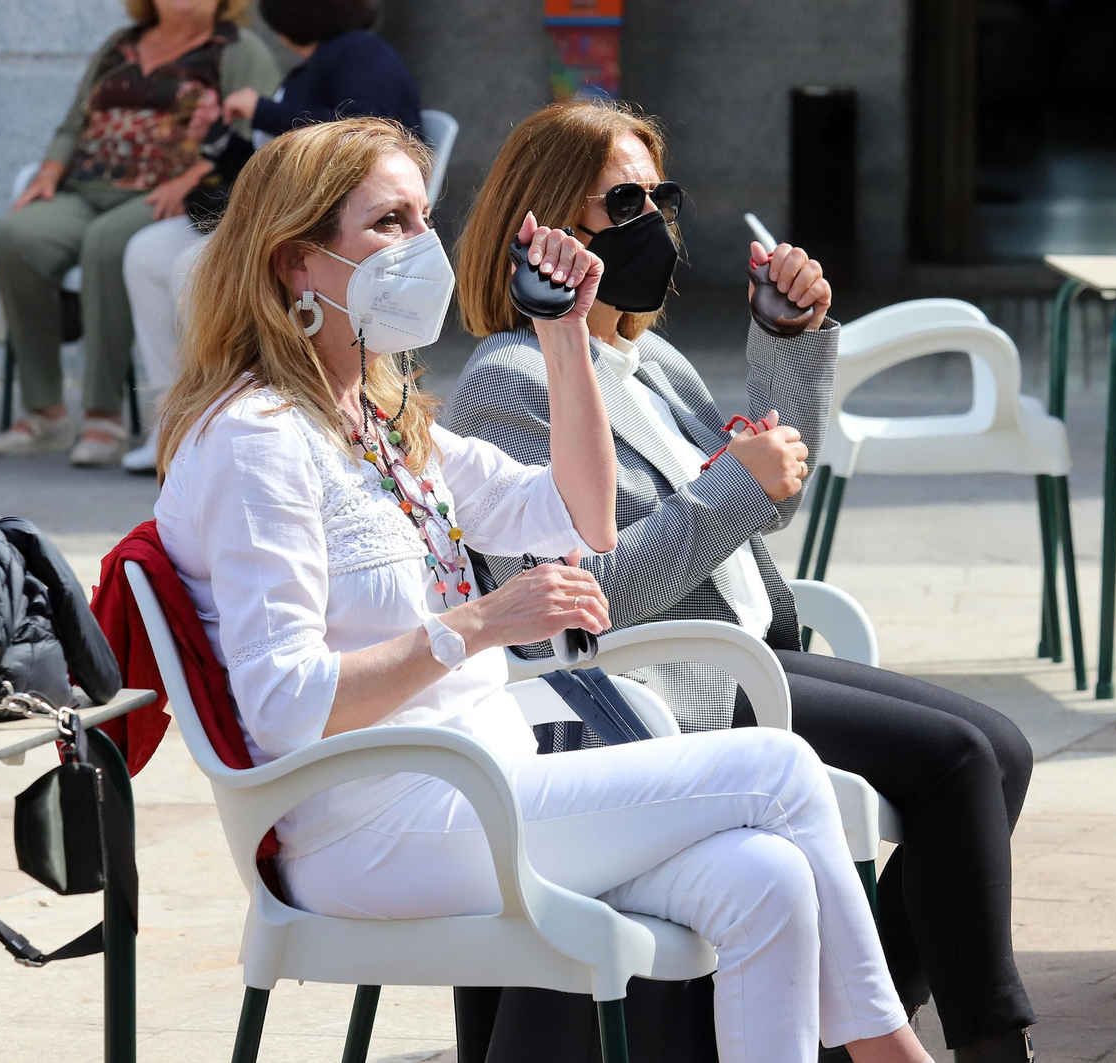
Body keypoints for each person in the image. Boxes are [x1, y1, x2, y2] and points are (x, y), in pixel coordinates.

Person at [151, 116, 932, 1063]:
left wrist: (562, 330)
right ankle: (894, 1055)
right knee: (777, 768)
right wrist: (478, 623)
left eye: (424, 217)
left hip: (485, 789)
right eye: (387, 224)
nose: (421, 247)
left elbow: (581, 515)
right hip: (379, 824)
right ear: (294, 264)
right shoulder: (258, 441)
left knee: (765, 874)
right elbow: (282, 706)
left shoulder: (385, 420)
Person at [446, 100, 1037, 1063]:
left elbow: (766, 491)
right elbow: (584, 601)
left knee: (1000, 747)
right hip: (670, 681)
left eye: (661, 198)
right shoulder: (511, 379)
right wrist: (735, 486)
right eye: (625, 201)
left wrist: (787, 336)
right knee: (962, 761)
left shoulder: (650, 361)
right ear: (546, 222)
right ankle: (977, 1044)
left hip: (754, 651)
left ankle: (846, 1014)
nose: (655, 224)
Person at [119, 0, 422, 474]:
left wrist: (262, 109)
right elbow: (268, 172)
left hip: (318, 232)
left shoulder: (362, 53)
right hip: (270, 220)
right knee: (146, 252)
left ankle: (223, 400)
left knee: (190, 264)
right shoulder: (306, 70)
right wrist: (219, 137)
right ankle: (169, 415)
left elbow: (357, 140)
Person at [0, 0, 278, 465]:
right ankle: (44, 410)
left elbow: (250, 138)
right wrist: (48, 173)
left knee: (106, 243)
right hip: (85, 186)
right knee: (16, 236)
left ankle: (104, 415)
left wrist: (186, 181)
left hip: (165, 194)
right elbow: (75, 123)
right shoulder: (119, 43)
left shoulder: (238, 48)